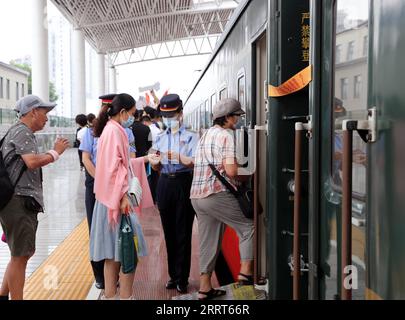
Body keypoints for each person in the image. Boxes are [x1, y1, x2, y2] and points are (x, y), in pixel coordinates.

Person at [0, 95, 69, 300]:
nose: (47, 118)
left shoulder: (18, 131)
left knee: (22, 254)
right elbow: (31, 162)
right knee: (20, 256)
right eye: (44, 113)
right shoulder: (22, 131)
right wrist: (55, 153)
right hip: (18, 200)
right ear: (33, 112)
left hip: (18, 201)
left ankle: (3, 294)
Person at [190, 98, 254, 300]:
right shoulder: (226, 135)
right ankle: (245, 274)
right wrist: (250, 174)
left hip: (196, 197)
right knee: (248, 226)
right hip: (215, 194)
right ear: (227, 118)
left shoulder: (205, 135)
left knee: (208, 241)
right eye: (236, 116)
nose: (238, 120)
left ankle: (205, 288)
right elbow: (232, 170)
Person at [80, 94, 137, 290]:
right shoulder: (115, 131)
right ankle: (126, 296)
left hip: (106, 197)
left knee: (112, 255)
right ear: (122, 112)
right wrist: (122, 196)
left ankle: (110, 295)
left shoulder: (108, 130)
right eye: (132, 113)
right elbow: (115, 168)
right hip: (116, 200)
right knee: (128, 253)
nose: (133, 118)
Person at [148, 94, 199, 293]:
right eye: (165, 115)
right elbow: (157, 163)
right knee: (168, 232)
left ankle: (183, 278)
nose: (168, 118)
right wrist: (154, 162)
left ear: (180, 113)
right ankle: (173, 275)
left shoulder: (192, 136)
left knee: (183, 232)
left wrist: (181, 157)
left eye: (172, 114)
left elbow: (195, 161)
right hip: (164, 184)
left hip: (183, 183)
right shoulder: (160, 137)